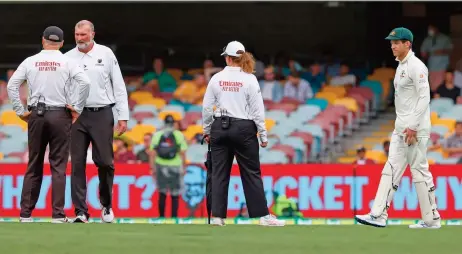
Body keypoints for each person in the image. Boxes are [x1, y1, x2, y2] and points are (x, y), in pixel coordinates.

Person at [355, 27, 441, 229]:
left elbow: (424, 97)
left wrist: (412, 126)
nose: (392, 45)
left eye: (396, 42)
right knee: (399, 168)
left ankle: (385, 215)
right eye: (391, 42)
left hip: (413, 129)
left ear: (407, 44)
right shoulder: (402, 66)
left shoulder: (416, 66)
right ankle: (382, 214)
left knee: (416, 171)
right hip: (402, 127)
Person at [6, 26, 90, 223]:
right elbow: (85, 83)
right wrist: (76, 107)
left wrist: (20, 111)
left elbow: (11, 85)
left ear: (43, 40)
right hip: (60, 114)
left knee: (34, 164)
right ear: (61, 43)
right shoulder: (67, 61)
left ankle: (25, 214)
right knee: (58, 166)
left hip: (36, 113)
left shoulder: (30, 61)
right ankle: (58, 215)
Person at [202, 40, 285, 226]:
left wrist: (207, 130)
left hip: (219, 126)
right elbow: (258, 110)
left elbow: (207, 108)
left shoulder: (216, 78)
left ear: (228, 58)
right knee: (251, 173)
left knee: (219, 173)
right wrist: (263, 135)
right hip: (244, 128)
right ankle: (262, 216)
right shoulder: (249, 78)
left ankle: (217, 217)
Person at [65, 20, 129, 223]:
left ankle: (107, 205)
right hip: (77, 115)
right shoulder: (67, 58)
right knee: (76, 163)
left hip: (102, 114)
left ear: (93, 34)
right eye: (76, 34)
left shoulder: (106, 54)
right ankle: (80, 211)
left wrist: (123, 115)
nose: (79, 38)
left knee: (105, 162)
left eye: (83, 34)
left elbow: (118, 84)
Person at [149, 114, 188, 218]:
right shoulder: (179, 135)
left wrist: (152, 168)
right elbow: (182, 153)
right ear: (173, 123)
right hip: (175, 165)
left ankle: (161, 217)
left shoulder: (157, 135)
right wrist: (184, 168)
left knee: (162, 193)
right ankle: (174, 217)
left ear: (164, 123)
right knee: (174, 194)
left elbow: (152, 153)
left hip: (160, 165)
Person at [420, 24, 453, 91]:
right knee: (432, 85)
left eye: (431, 29)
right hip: (431, 66)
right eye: (429, 29)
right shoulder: (427, 39)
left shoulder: (445, 38)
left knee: (440, 84)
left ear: (436, 29)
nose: (430, 31)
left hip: (442, 66)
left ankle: (439, 97)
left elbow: (450, 50)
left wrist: (441, 52)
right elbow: (423, 53)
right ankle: (434, 98)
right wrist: (427, 54)